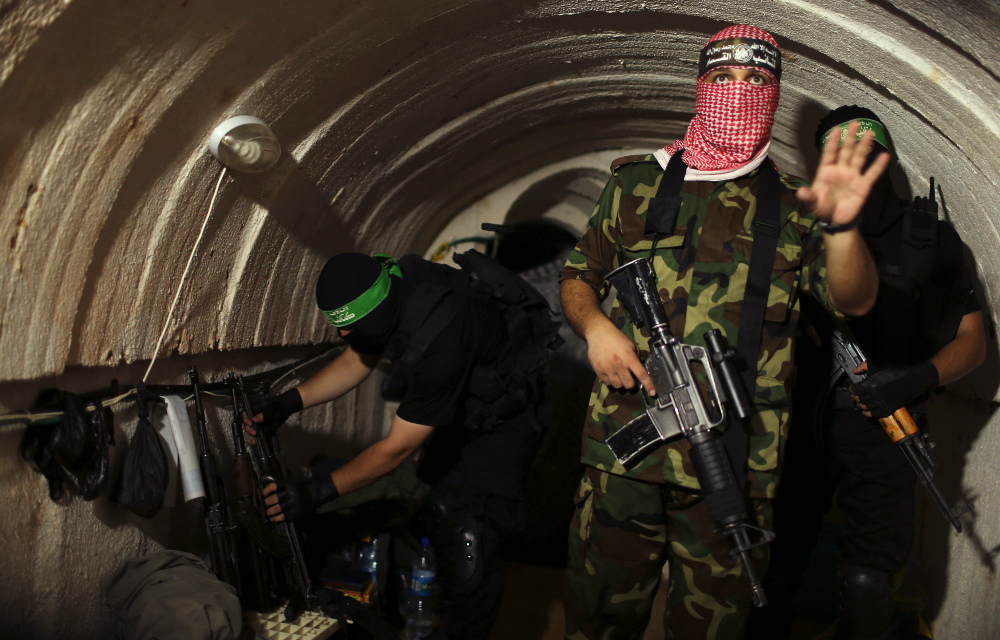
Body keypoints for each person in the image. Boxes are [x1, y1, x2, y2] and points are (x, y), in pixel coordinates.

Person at [558, 25, 889, 640]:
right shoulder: (636, 184)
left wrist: (842, 228)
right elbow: (579, 276)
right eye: (722, 78)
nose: (738, 93)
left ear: (777, 94)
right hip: (623, 451)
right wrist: (596, 327)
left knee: (715, 628)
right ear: (698, 86)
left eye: (757, 80)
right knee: (598, 620)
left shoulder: (795, 206)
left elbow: (856, 300)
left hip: (739, 460)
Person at [744, 106, 986, 640]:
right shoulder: (796, 229)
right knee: (769, 571)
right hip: (796, 427)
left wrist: (917, 377)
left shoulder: (930, 239)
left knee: (867, 584)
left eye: (869, 156)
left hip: (889, 430)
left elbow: (974, 343)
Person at [244, 249, 560, 640]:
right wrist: (289, 402)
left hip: (506, 423)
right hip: (464, 407)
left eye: (350, 325)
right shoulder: (392, 289)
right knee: (439, 507)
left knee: (470, 539)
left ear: (376, 309)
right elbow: (356, 358)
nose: (343, 334)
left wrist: (315, 491)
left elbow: (397, 448)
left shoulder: (443, 338)